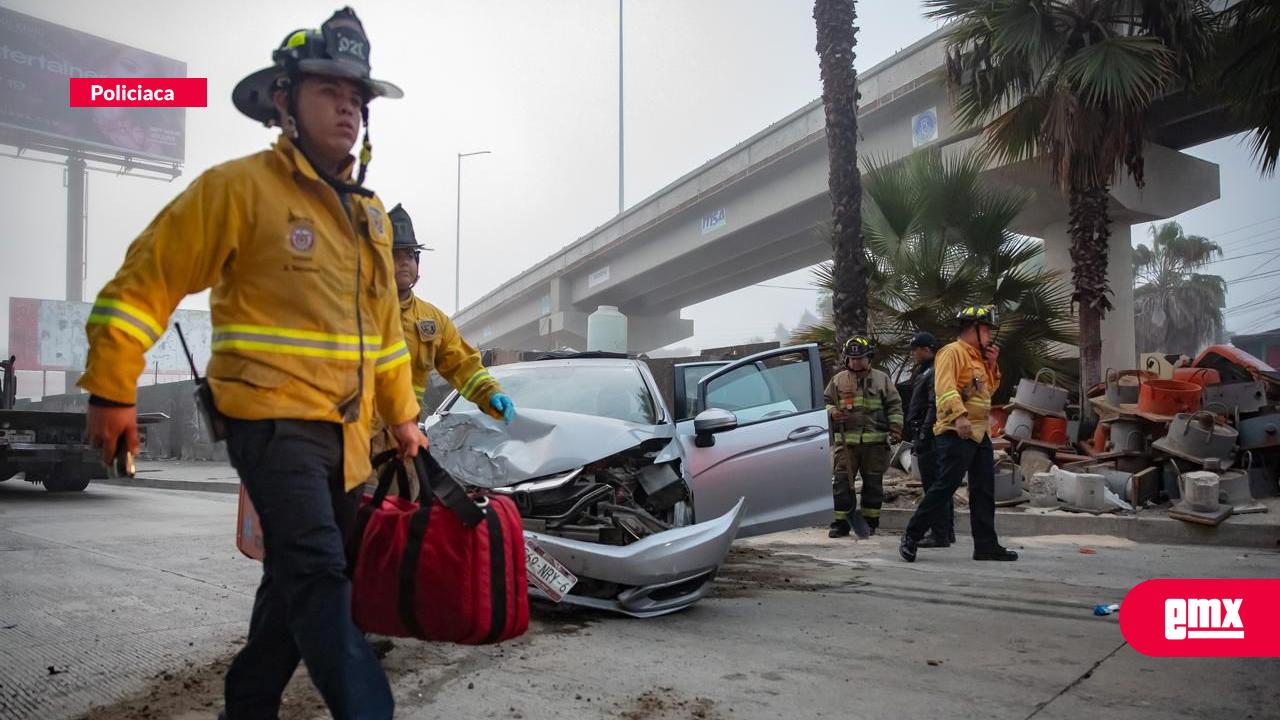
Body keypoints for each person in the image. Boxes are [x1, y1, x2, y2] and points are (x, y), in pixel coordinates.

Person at [81, 9, 420, 718]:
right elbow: (144, 285)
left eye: (357, 97)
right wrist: (112, 388)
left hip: (347, 437)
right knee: (320, 578)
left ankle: (248, 705)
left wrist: (403, 417)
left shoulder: (369, 217)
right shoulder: (238, 190)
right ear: (285, 99)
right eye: (329, 90)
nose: (348, 108)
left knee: (293, 584)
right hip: (268, 423)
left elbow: (386, 335)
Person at [367, 203, 516, 499]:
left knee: (402, 515)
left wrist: (489, 393)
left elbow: (463, 365)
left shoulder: (432, 320)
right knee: (359, 516)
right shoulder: (356, 309)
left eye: (410, 255)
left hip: (403, 441)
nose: (404, 262)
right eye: (395, 255)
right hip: (355, 437)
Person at [899, 306, 1019, 563]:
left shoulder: (977, 358)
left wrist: (992, 365)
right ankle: (912, 535)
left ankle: (986, 545)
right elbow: (945, 389)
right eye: (985, 330)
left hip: (979, 432)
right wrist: (960, 416)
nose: (989, 335)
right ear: (972, 329)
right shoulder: (951, 352)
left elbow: (986, 391)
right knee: (946, 485)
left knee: (984, 490)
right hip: (956, 430)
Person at [825, 335, 904, 537]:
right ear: (846, 359)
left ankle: (870, 522)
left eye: (860, 358)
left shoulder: (882, 379)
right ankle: (841, 523)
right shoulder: (838, 380)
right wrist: (832, 411)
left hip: (875, 443)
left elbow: (894, 406)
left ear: (869, 357)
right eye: (852, 359)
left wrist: (895, 428)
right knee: (841, 483)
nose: (856, 362)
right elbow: (825, 401)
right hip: (846, 444)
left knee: (873, 484)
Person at [904, 331, 953, 548]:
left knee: (934, 487)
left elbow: (934, 405)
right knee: (940, 486)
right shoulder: (925, 370)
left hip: (931, 437)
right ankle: (946, 531)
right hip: (928, 434)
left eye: (915, 349)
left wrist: (924, 433)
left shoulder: (934, 371)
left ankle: (940, 533)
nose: (912, 354)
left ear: (926, 349)